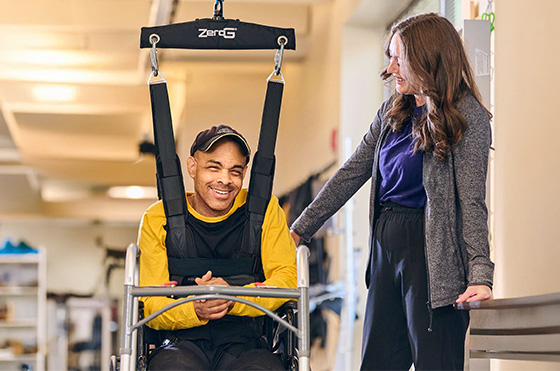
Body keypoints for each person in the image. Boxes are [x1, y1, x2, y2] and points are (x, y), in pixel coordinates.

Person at [290, 13, 494, 371]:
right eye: (390, 56)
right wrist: (301, 228)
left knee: (436, 363)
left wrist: (480, 274)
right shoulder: (392, 110)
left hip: (432, 256)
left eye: (399, 58)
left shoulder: (466, 116)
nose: (391, 67)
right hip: (386, 248)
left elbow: (473, 202)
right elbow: (352, 172)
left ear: (427, 58)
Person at [137, 124, 297, 370]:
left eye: (235, 171)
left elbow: (286, 279)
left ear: (245, 172)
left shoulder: (265, 211)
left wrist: (233, 297)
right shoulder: (158, 217)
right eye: (214, 167)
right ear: (192, 167)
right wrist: (194, 307)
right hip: (181, 343)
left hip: (248, 344)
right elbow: (151, 303)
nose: (224, 179)